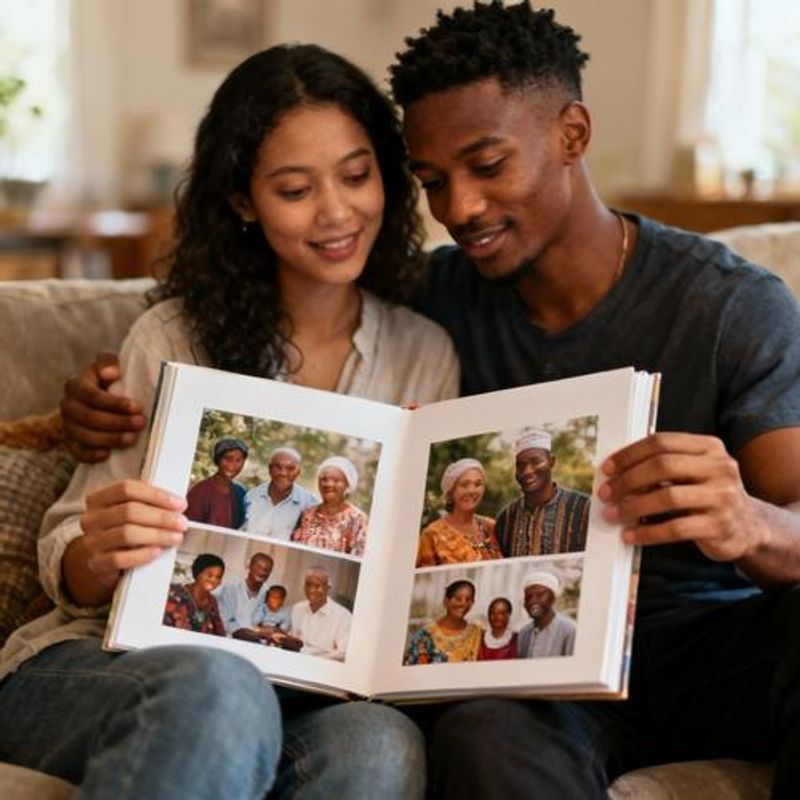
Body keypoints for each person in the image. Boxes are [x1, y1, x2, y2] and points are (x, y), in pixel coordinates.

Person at [52, 2, 800, 795]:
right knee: (480, 732)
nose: (460, 210)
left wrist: (751, 523)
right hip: (538, 675)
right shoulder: (437, 299)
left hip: (704, 645)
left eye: (488, 165)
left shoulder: (730, 307)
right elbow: (279, 308)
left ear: (573, 133)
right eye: (433, 182)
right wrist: (98, 394)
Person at [0, 43, 466, 799]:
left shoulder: (425, 354)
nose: (337, 212)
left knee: (382, 744)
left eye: (357, 176)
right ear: (244, 202)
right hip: (109, 664)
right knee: (223, 686)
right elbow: (69, 565)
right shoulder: (172, 338)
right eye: (295, 189)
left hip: (308, 689)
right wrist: (104, 548)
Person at [494, 430, 590, 556]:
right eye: (521, 465)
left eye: (536, 462)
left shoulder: (583, 509)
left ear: (551, 461)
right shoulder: (506, 519)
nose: (527, 471)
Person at [416, 457, 502, 566]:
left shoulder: (492, 527)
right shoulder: (432, 535)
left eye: (478, 484)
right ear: (450, 492)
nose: (472, 490)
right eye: (464, 485)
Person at [292, 456, 368, 556]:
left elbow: (358, 557)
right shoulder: (308, 514)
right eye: (324, 479)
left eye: (336, 480)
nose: (328, 484)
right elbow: (297, 548)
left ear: (348, 485)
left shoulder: (357, 519)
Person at [241, 447, 317, 538]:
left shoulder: (309, 503)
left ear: (298, 472)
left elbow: (312, 536)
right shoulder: (251, 496)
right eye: (278, 467)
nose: (283, 473)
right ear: (270, 469)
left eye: (290, 468)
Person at [404, 579, 483, 664]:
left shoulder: (476, 632)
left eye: (468, 600)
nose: (463, 604)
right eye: (458, 599)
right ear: (446, 601)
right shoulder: (425, 635)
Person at [281, 567, 351, 660]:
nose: (312, 590)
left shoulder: (343, 616)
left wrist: (311, 659)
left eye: (317, 586)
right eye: (308, 585)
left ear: (328, 587)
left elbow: (343, 653)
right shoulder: (297, 608)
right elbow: (293, 639)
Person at [185, 437, 250, 529]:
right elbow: (190, 526)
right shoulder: (200, 492)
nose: (232, 465)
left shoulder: (240, 492)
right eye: (227, 458)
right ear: (217, 459)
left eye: (238, 460)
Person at [163, 553, 227, 636]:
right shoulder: (176, 593)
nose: (213, 580)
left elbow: (220, 631)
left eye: (218, 577)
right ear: (198, 573)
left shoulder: (212, 601)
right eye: (209, 575)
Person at [516, 571, 575, 659]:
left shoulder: (569, 630)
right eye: (528, 597)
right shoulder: (523, 633)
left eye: (540, 595)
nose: (532, 601)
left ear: (553, 598)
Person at [215, 552, 273, 636]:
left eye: (267, 570)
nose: (262, 572)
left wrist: (267, 630)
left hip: (252, 638)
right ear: (250, 567)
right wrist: (253, 633)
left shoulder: (266, 593)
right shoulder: (231, 588)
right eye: (259, 567)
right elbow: (225, 621)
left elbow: (258, 621)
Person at [477, 596, 518, 661]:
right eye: (492, 613)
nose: (496, 616)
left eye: (501, 613)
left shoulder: (517, 640)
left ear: (508, 616)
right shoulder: (479, 639)